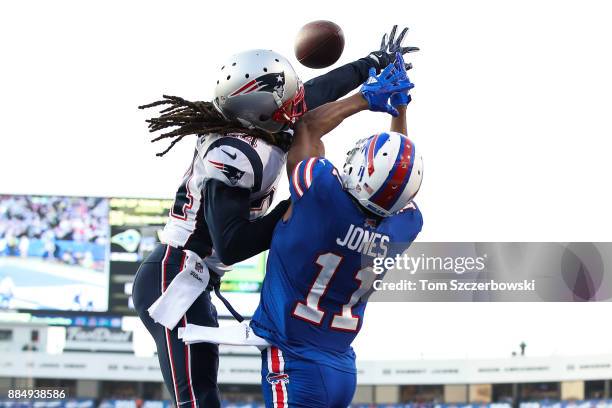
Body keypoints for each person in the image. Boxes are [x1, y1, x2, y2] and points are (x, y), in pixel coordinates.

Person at [131, 27, 418, 408]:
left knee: (203, 394)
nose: (298, 101)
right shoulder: (232, 153)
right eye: (287, 98)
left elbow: (315, 96)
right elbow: (232, 245)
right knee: (197, 398)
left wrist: (371, 65)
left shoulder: (260, 123)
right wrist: (297, 211)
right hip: (174, 275)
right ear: (262, 112)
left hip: (195, 275)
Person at [250, 53, 423, 407]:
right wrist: (399, 111)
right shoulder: (403, 226)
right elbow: (396, 180)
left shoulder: (321, 195)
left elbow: (308, 126)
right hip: (342, 366)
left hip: (294, 360)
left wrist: (366, 98)